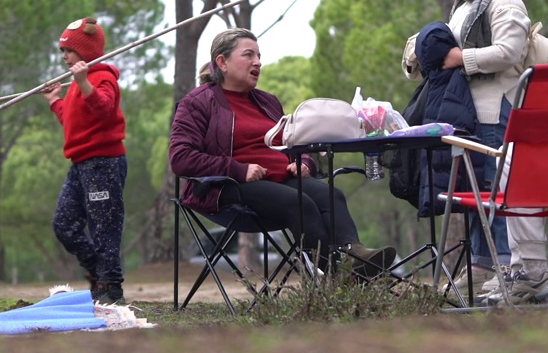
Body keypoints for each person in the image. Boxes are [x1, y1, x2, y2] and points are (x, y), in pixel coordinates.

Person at [169, 28, 395, 277]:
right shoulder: (198, 102)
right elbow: (181, 159)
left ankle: (356, 254)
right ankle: (338, 276)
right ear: (222, 62)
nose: (258, 62)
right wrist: (239, 169)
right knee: (299, 203)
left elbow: (294, 141)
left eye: (259, 55)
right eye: (248, 55)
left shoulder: (268, 101)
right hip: (227, 185)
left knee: (330, 194)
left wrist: (305, 162)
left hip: (281, 178)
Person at [403, 0, 548, 304]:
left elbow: (509, 51)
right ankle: (486, 269)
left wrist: (458, 59)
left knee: (499, 192)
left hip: (496, 109)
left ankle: (512, 270)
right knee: (479, 193)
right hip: (469, 111)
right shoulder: (466, 6)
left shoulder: (505, 2)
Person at [42, 16, 128, 305]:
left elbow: (104, 108)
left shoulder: (103, 77)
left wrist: (82, 81)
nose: (64, 57)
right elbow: (72, 120)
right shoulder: (78, 84)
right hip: (80, 164)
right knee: (64, 224)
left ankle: (111, 289)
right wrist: (56, 100)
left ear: (87, 51)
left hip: (104, 163)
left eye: (69, 50)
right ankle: (97, 273)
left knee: (104, 227)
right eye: (62, 52)